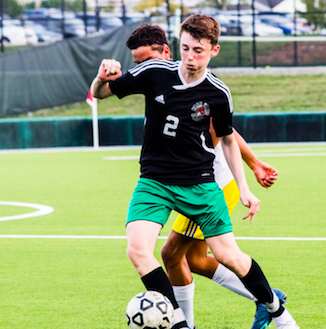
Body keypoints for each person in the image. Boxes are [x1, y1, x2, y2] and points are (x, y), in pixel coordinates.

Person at [91, 14, 299, 329]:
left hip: (200, 184)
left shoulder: (218, 93)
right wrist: (100, 78)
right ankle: (178, 323)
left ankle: (275, 309)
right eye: (185, 48)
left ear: (214, 50)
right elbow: (102, 92)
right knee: (138, 250)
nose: (190, 57)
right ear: (178, 44)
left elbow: (228, 140)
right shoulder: (154, 71)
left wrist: (244, 187)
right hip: (154, 182)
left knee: (230, 256)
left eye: (198, 51)